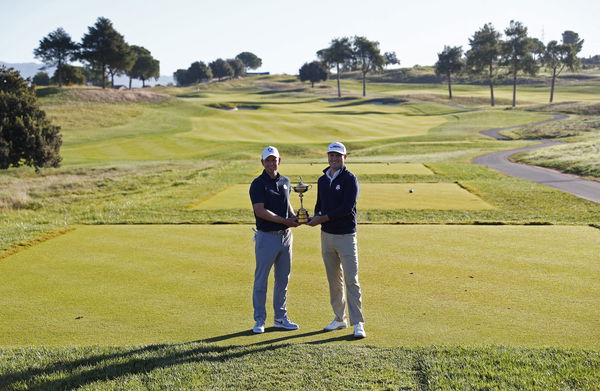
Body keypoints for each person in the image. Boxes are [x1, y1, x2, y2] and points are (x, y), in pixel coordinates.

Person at [307, 142, 366, 338]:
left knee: (351, 280)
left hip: (346, 236)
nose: (334, 159)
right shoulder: (322, 180)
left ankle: (358, 323)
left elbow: (346, 207)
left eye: (338, 156)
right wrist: (312, 217)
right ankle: (340, 319)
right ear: (328, 157)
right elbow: (319, 205)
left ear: (345, 158)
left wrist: (321, 219)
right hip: (326, 236)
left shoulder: (350, 179)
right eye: (331, 155)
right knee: (334, 281)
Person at [249, 146, 300, 334]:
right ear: (262, 162)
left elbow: (287, 203)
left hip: (286, 237)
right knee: (261, 280)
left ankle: (280, 318)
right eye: (267, 160)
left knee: (283, 279)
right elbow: (260, 211)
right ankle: (259, 320)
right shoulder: (258, 183)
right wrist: (285, 220)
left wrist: (296, 217)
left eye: (274, 160)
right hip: (266, 237)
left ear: (280, 161)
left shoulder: (285, 181)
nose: (271, 163)